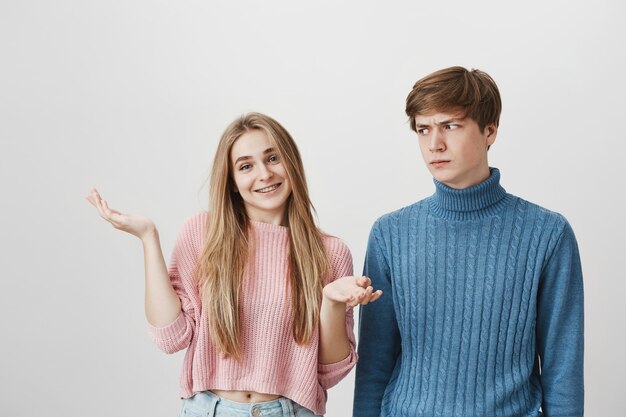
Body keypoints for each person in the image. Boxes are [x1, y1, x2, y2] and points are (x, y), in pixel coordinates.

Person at [87, 112, 381, 417]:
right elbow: (170, 337)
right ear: (232, 183)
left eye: (273, 158)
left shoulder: (330, 253)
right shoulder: (203, 233)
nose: (264, 174)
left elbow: (330, 371)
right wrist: (148, 238)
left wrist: (331, 302)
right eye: (246, 166)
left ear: (292, 163)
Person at [353, 67, 584, 417]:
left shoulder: (548, 234)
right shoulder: (389, 234)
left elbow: (562, 367)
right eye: (423, 129)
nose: (435, 144)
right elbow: (374, 365)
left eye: (450, 126)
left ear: (489, 131)